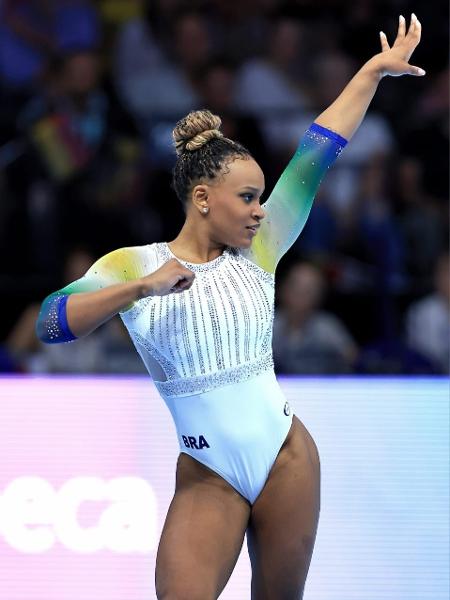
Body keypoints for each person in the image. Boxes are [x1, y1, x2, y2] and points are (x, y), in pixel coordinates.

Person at [36, 14, 424, 599]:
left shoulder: (262, 248)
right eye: (246, 197)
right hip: (207, 478)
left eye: (261, 197)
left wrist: (371, 72)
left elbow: (318, 151)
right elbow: (49, 323)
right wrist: (138, 290)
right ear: (201, 198)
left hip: (287, 460)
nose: (259, 210)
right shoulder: (132, 265)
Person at [273, 261, 358, 374]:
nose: (301, 295)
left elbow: (353, 358)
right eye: (296, 287)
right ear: (283, 289)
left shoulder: (328, 327)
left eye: (308, 290)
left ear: (319, 295)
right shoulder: (267, 326)